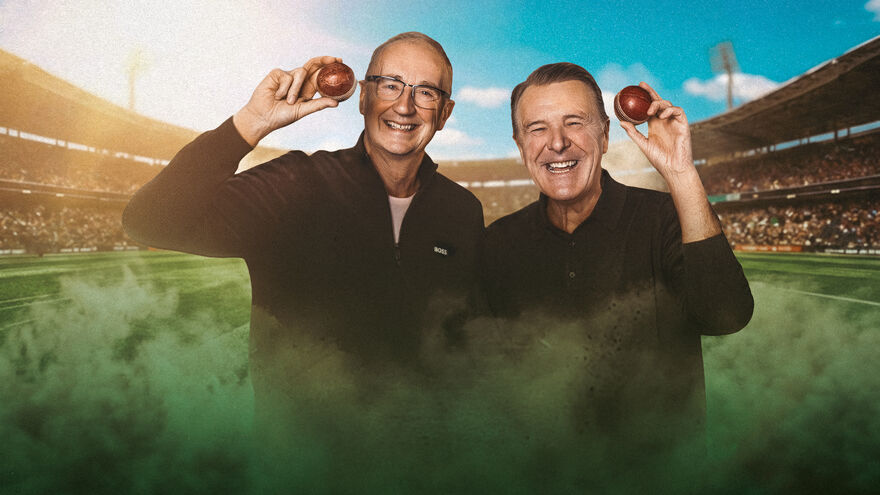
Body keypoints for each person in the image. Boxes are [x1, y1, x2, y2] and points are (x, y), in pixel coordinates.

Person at [122, 32, 483, 490]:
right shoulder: (295, 182)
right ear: (363, 95)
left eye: (425, 91)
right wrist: (248, 125)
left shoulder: (462, 210)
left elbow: (464, 337)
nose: (405, 106)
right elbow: (150, 222)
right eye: (390, 84)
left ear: (445, 113)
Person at [480, 62, 754, 488]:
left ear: (605, 135)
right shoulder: (497, 242)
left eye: (575, 122)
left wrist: (680, 174)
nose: (557, 143)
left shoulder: (665, 215)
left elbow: (725, 315)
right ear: (520, 145)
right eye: (537, 129)